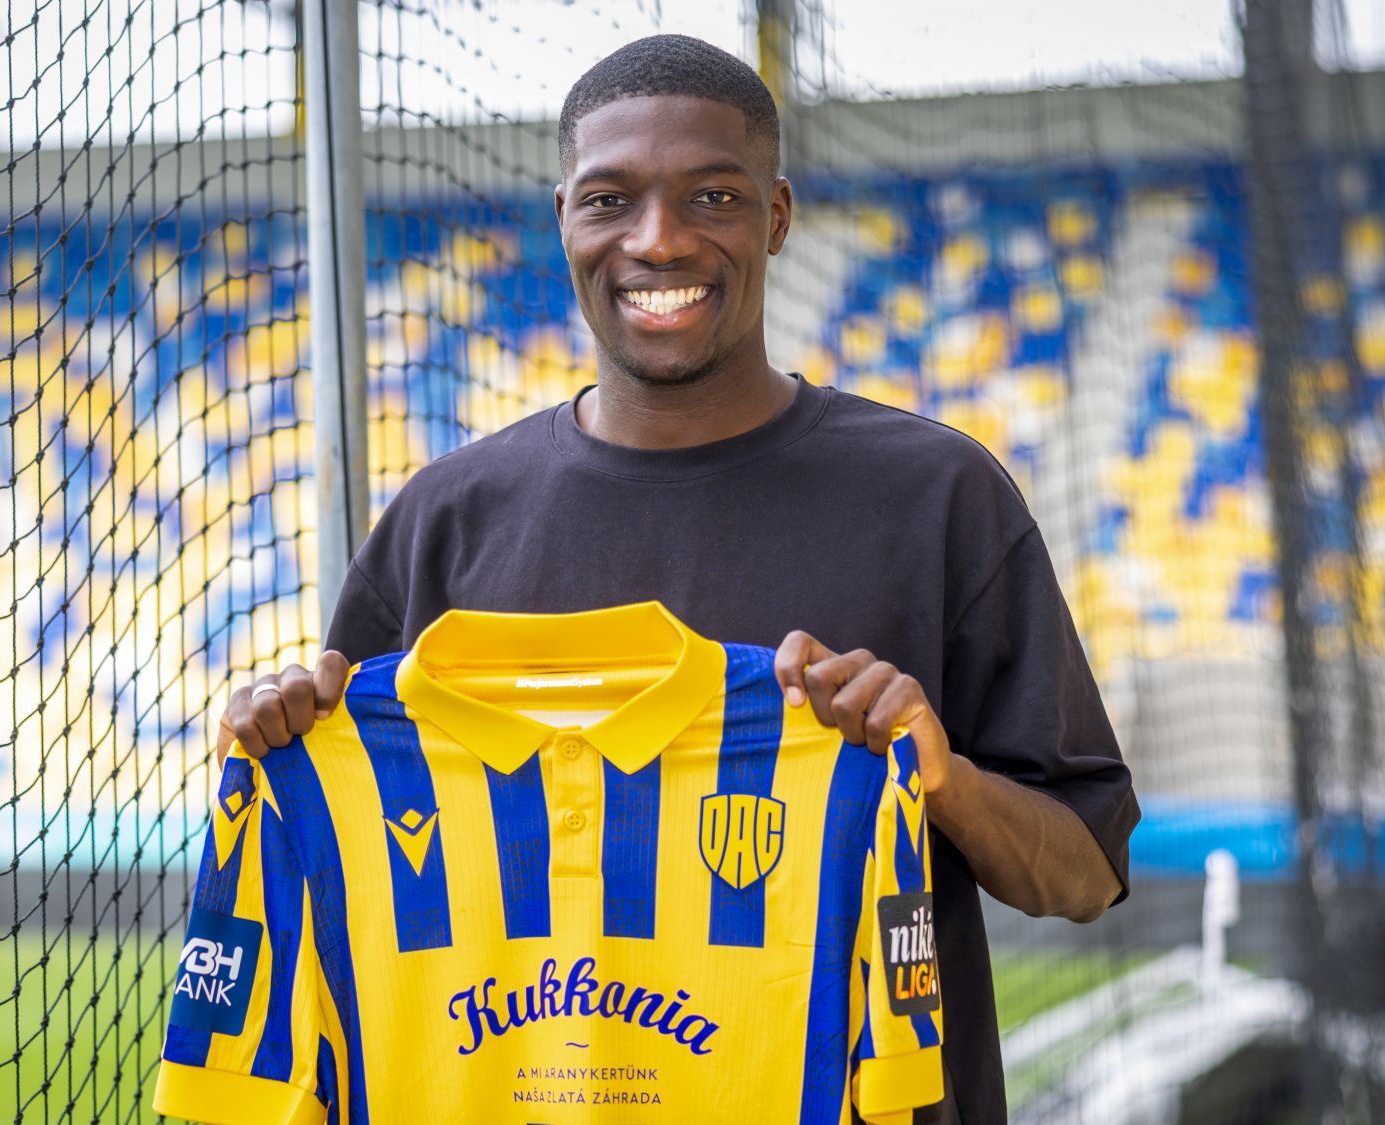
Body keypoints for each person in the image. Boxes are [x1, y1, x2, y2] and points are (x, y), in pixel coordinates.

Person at [216, 33, 1137, 1124]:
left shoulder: (937, 495)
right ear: (564, 219)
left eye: (712, 197)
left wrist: (941, 778)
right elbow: (343, 861)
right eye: (610, 201)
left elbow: (1083, 873)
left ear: (776, 216)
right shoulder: (444, 522)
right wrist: (279, 730)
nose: (657, 240)